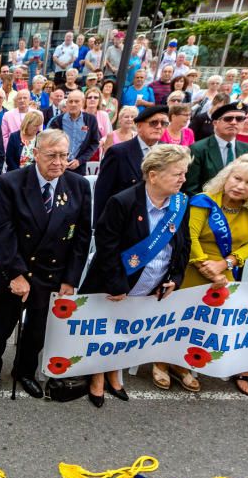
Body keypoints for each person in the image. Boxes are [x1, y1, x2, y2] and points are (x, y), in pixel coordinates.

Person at [0, 129, 93, 400]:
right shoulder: (11, 182)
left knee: (36, 330)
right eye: (51, 155)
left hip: (52, 273)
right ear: (35, 154)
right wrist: (16, 274)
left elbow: (81, 236)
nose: (58, 162)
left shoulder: (78, 185)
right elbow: (2, 231)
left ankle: (25, 372)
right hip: (14, 270)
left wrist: (70, 279)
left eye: (64, 156)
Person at [81, 144, 194, 403]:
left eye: (184, 173)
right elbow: (107, 247)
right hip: (116, 284)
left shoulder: (180, 204)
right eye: (177, 173)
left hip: (151, 282)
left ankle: (114, 372)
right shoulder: (123, 201)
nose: (183, 179)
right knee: (105, 329)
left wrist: (174, 278)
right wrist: (117, 284)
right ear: (153, 175)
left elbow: (184, 244)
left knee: (127, 330)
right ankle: (97, 375)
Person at [184, 155, 248, 396]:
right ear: (226, 177)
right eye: (237, 178)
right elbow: (190, 237)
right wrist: (206, 266)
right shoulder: (204, 201)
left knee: (209, 320)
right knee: (183, 318)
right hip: (193, 265)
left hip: (225, 268)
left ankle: (191, 360)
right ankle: (166, 362)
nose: (240, 186)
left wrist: (226, 263)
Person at [94, 105, 169, 216]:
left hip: (158, 219)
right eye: (153, 123)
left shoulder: (167, 152)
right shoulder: (118, 152)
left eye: (164, 123)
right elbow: (103, 192)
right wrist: (99, 226)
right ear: (139, 126)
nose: (159, 127)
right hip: (125, 218)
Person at [185, 101, 248, 196]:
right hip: (207, 205)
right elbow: (191, 188)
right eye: (228, 119)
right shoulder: (198, 149)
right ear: (215, 123)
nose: (234, 122)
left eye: (239, 119)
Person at [47, 90, 100, 169]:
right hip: (59, 166)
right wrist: (60, 159)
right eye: (70, 101)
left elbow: (94, 143)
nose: (73, 104)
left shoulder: (90, 120)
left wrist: (80, 160)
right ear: (67, 103)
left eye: (76, 101)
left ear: (82, 103)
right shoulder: (57, 121)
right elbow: (50, 143)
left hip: (79, 166)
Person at [1, 109, 45, 178]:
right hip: (15, 174)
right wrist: (20, 174)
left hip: (35, 175)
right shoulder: (14, 136)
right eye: (35, 126)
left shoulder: (41, 137)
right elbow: (10, 159)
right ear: (27, 124)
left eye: (39, 126)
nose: (38, 128)